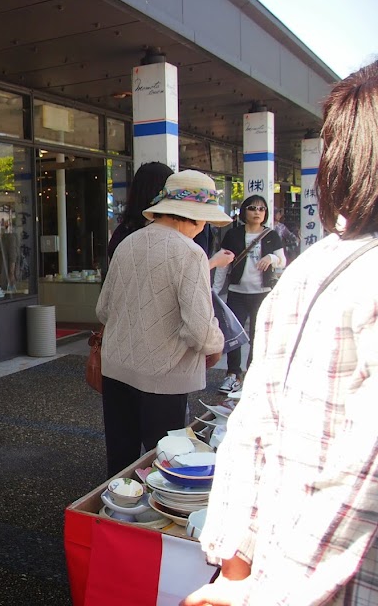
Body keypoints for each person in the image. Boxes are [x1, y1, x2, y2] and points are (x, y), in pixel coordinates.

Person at [182, 60, 378, 606]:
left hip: (276, 566)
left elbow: (252, 429)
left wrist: (236, 572)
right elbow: (366, 478)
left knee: (247, 382)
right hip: (321, 581)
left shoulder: (307, 266)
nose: (255, 211)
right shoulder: (323, 271)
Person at [96, 170, 230, 478]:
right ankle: (148, 523)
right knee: (164, 463)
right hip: (163, 376)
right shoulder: (190, 253)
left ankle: (114, 514)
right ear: (194, 218)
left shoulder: (127, 244)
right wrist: (216, 344)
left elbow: (103, 309)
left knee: (121, 459)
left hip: (116, 368)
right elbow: (200, 329)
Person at [212, 195, 285, 395]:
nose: (257, 212)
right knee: (234, 335)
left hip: (262, 294)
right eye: (252, 208)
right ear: (244, 211)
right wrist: (215, 291)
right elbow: (222, 265)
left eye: (261, 209)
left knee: (257, 335)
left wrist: (271, 258)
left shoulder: (271, 235)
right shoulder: (233, 235)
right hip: (237, 293)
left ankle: (252, 375)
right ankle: (233, 374)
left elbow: (282, 260)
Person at [109, 162, 233, 270]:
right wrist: (214, 262)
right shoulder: (188, 235)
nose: (202, 224)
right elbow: (190, 275)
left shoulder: (123, 237)